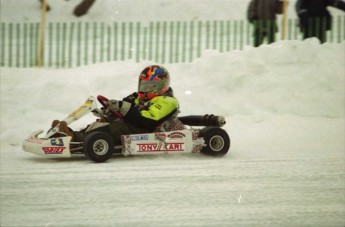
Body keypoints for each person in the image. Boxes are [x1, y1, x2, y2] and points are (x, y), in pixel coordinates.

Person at [51, 65, 184, 145]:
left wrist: (124, 108)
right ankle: (71, 135)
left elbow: (147, 121)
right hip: (137, 128)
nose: (145, 90)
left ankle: (75, 139)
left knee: (119, 127)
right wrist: (108, 110)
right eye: (144, 85)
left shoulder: (168, 101)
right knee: (104, 121)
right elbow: (124, 105)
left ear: (162, 85)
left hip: (151, 131)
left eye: (151, 86)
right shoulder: (137, 97)